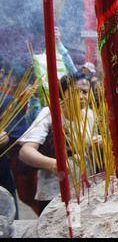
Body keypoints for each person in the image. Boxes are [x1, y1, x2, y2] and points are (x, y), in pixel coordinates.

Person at [17, 72, 98, 214]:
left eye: (85, 92)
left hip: (83, 189)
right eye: (74, 92)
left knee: (78, 228)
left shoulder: (90, 115)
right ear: (62, 93)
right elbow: (25, 152)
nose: (80, 97)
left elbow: (89, 148)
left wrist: (99, 143)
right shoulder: (50, 114)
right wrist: (53, 164)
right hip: (54, 192)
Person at [0, 66, 29, 218]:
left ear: (1, 72)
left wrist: (7, 136)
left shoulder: (8, 102)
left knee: (8, 221)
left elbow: (20, 132)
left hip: (2, 174)